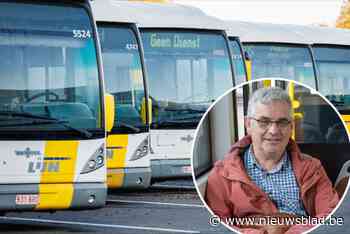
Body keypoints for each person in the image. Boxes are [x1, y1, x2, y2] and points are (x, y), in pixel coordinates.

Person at [205, 87, 339, 234]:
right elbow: (217, 226)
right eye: (264, 121)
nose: (274, 131)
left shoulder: (312, 168)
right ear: (248, 124)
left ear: (291, 126)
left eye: (282, 122)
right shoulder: (221, 174)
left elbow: (330, 217)